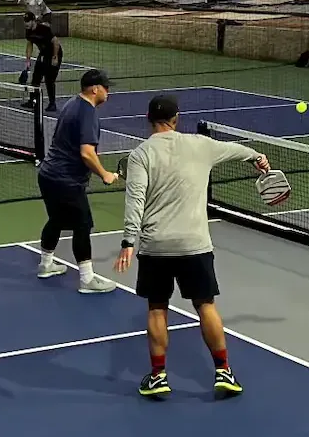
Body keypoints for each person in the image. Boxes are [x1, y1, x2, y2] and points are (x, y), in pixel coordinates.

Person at [112, 94, 270, 400]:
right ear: (176, 119)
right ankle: (223, 371)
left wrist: (128, 241)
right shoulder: (201, 144)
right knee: (205, 305)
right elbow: (236, 149)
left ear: (149, 120)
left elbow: (135, 201)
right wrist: (256, 157)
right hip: (195, 245)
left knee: (157, 308)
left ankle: (158, 376)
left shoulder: (140, 155)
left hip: (156, 246)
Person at [34, 69, 119, 294]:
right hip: (66, 180)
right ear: (95, 89)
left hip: (48, 175)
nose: (108, 92)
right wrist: (105, 174)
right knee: (83, 226)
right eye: (105, 87)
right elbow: (87, 153)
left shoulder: (72, 103)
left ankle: (46, 264)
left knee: (56, 219)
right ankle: (87, 279)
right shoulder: (88, 112)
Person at [21, 12, 62, 112]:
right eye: (25, 21)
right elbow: (29, 44)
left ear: (33, 21)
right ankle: (33, 101)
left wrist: (55, 57)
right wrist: (28, 60)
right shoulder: (28, 31)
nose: (26, 23)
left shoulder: (44, 29)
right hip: (43, 54)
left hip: (54, 53)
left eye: (28, 21)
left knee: (49, 80)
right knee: (36, 78)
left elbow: (55, 42)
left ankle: (52, 104)